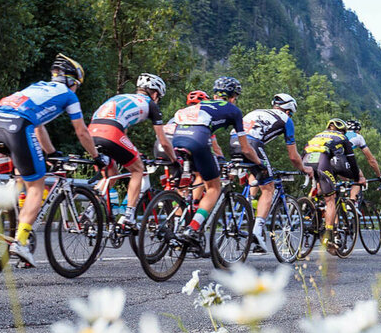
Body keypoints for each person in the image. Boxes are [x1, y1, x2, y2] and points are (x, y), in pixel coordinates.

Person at [0, 53, 107, 267]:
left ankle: (4, 221)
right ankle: (21, 241)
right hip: (17, 128)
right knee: (36, 187)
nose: (76, 89)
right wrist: (96, 157)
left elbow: (39, 126)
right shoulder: (69, 96)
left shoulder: (37, 87)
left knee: (21, 178)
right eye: (77, 85)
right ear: (72, 81)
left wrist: (50, 153)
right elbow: (82, 132)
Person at [170, 76, 261, 246]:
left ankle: (179, 222)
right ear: (233, 97)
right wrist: (259, 164)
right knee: (213, 187)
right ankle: (193, 228)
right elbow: (246, 148)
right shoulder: (234, 111)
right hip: (197, 139)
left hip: (176, 139)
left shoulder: (201, 105)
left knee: (191, 181)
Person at [88, 73, 177, 230]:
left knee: (112, 174)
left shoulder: (122, 97)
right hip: (111, 132)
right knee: (138, 170)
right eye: (158, 97)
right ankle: (129, 216)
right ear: (155, 93)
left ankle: (89, 211)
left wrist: (132, 152)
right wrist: (174, 161)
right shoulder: (150, 103)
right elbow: (164, 141)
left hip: (92, 132)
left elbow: (124, 133)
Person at [230, 93, 312, 251]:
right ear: (289, 110)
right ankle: (257, 229)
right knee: (268, 189)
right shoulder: (286, 119)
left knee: (258, 173)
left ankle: (246, 204)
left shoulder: (259, 112)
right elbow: (294, 157)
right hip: (252, 143)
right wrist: (304, 168)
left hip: (233, 142)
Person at [302, 118, 365, 255]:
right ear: (342, 130)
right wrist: (356, 178)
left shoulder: (318, 135)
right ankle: (329, 234)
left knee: (320, 189)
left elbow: (305, 150)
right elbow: (351, 161)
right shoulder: (342, 138)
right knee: (331, 199)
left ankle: (309, 208)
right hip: (322, 161)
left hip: (306, 160)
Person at [343, 119, 381, 201]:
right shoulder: (358, 137)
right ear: (357, 130)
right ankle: (351, 204)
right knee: (359, 178)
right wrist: (379, 176)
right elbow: (371, 160)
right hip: (342, 161)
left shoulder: (339, 134)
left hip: (326, 159)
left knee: (343, 181)